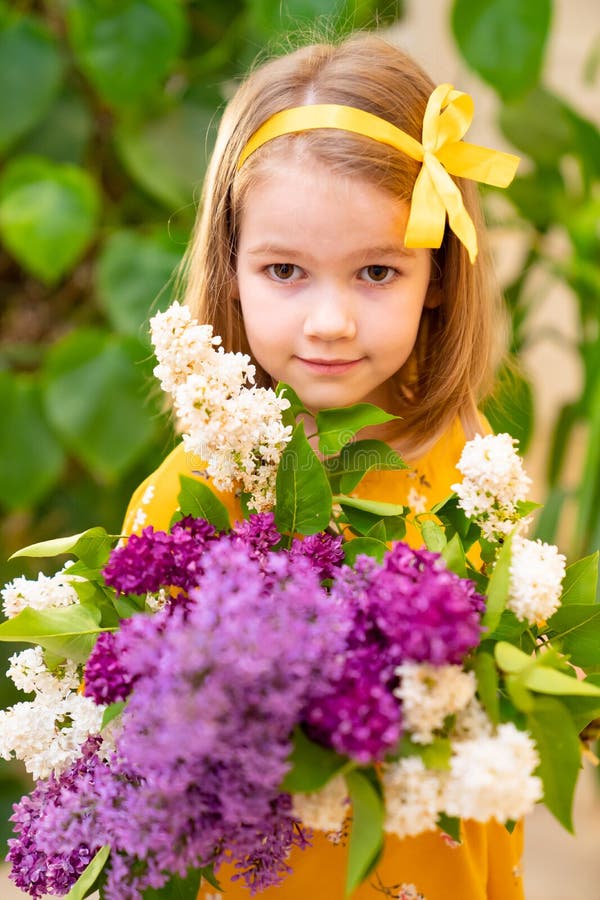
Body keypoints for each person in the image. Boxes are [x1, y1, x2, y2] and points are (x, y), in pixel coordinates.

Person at [123, 32, 524, 900]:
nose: (331, 321)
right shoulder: (197, 493)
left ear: (440, 276)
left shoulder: (473, 460)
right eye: (285, 271)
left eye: (377, 270)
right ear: (232, 272)